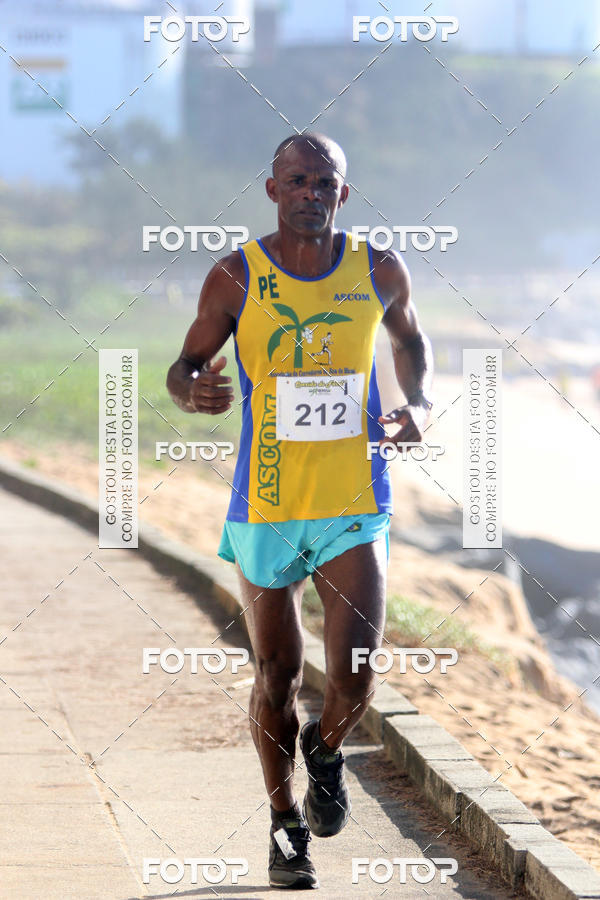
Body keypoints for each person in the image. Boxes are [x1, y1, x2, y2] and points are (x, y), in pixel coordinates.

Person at [166, 133, 433, 890]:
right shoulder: (236, 276)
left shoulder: (378, 268)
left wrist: (419, 404)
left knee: (354, 671)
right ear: (273, 189)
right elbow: (183, 367)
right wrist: (194, 390)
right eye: (297, 181)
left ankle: (326, 748)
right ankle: (284, 824)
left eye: (324, 182)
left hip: (354, 500)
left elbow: (413, 341)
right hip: (266, 503)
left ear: (343, 193)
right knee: (277, 673)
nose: (311, 193)